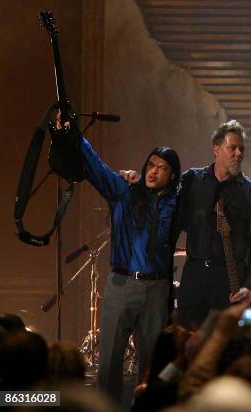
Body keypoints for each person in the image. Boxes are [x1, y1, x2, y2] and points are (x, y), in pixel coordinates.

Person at [80, 132, 181, 402]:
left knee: (152, 364)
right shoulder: (125, 192)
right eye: (151, 164)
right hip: (122, 284)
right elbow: (95, 167)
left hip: (157, 289)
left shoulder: (176, 202)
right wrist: (72, 134)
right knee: (109, 361)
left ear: (172, 176)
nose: (154, 171)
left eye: (162, 168)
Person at [176, 120, 251, 327]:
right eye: (232, 148)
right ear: (216, 149)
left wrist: (250, 285)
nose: (238, 153)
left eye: (241, 149)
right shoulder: (192, 180)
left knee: (236, 343)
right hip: (195, 273)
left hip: (232, 277)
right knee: (186, 338)